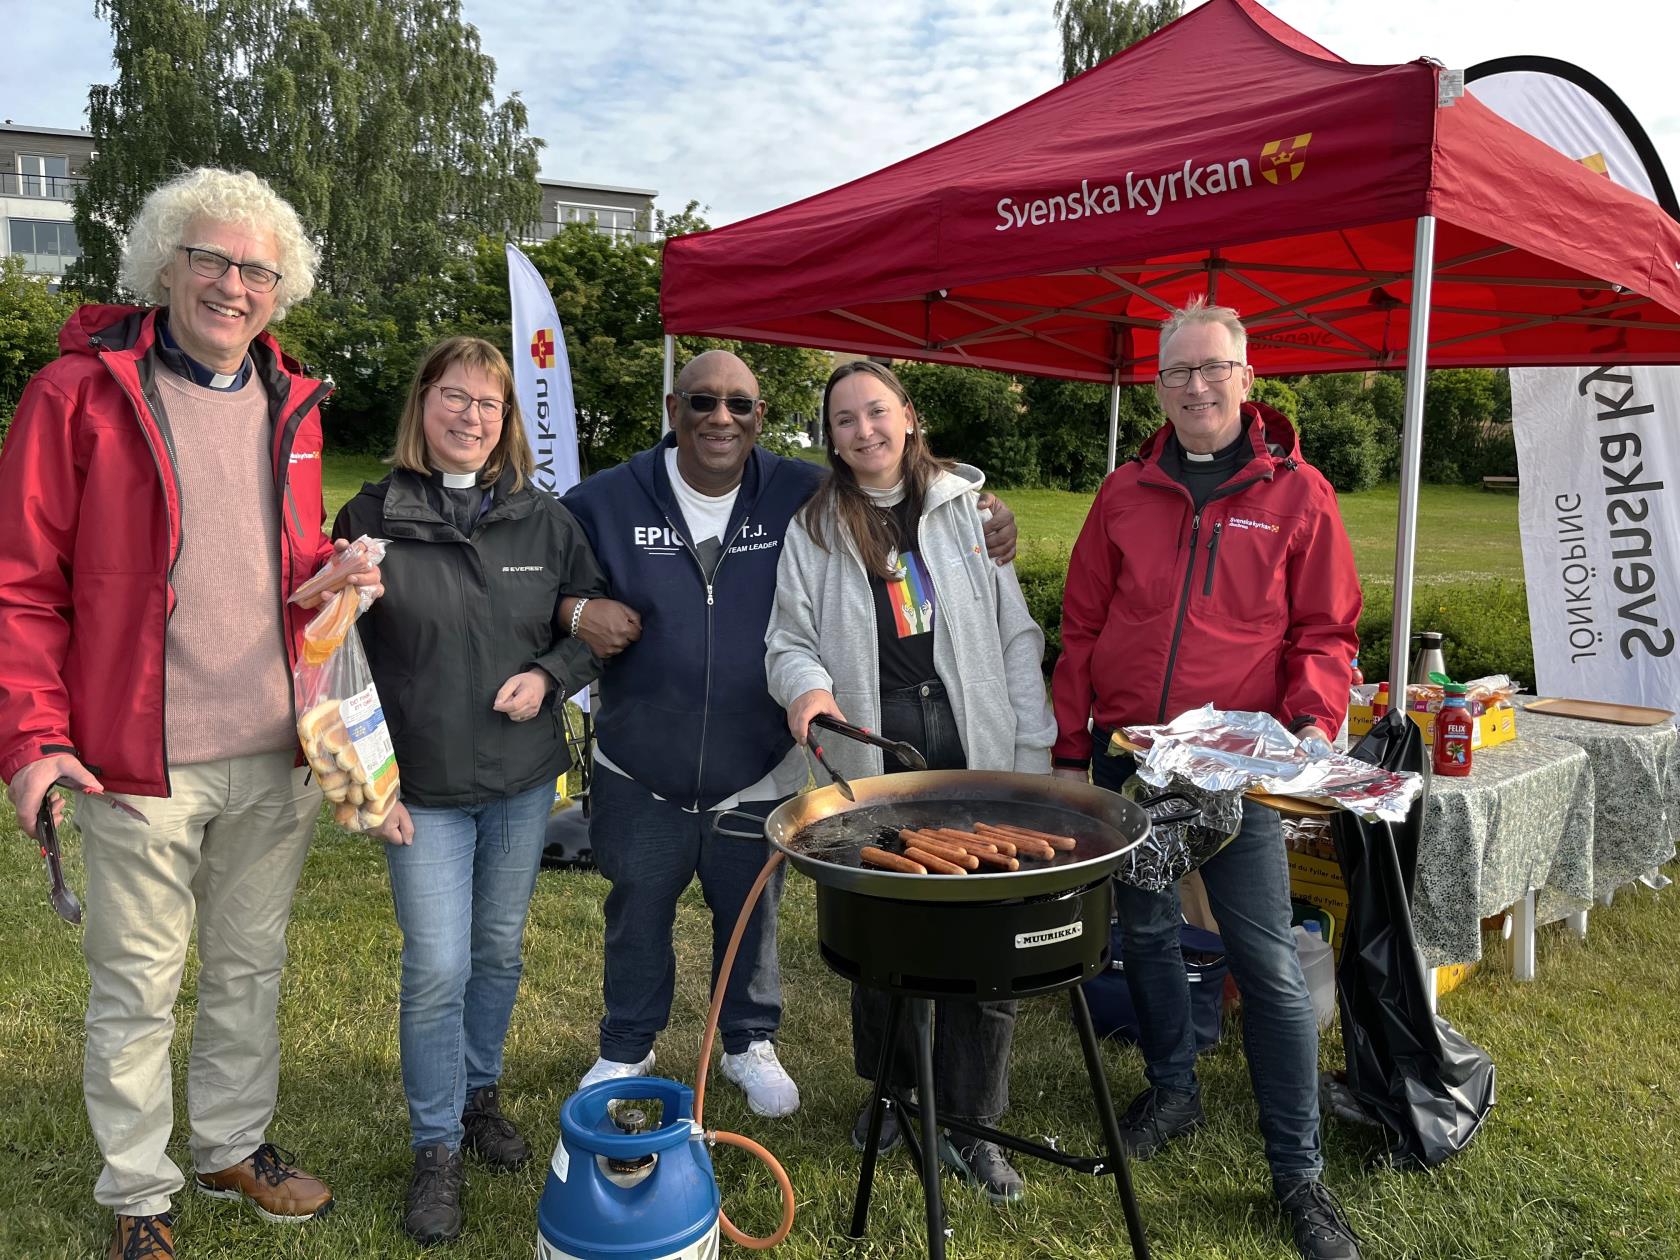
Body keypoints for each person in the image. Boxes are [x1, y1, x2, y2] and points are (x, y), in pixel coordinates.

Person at [0, 168, 381, 1260]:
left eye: (256, 269)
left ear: (281, 288)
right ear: (163, 264)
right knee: (138, 983)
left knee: (250, 968)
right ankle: (137, 1194)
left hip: (276, 753)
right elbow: (21, 581)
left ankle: (227, 1143)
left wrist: (333, 569)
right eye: (210, 259)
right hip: (135, 756)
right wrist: (33, 738)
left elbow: (265, 560)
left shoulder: (290, 400)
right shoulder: (76, 395)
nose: (232, 284)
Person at [558, 350, 1019, 1119]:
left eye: (740, 405)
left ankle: (747, 1042)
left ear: (762, 417)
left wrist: (982, 506)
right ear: (674, 407)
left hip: (758, 760)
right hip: (640, 758)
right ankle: (626, 1045)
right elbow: (537, 571)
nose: (720, 419)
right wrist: (575, 615)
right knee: (638, 907)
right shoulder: (603, 499)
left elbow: (902, 481)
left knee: (751, 910)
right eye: (702, 402)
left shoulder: (800, 492)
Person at [1050, 299, 1363, 1260]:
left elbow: (1326, 634)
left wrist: (1303, 726)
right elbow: (1084, 625)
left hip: (1234, 766)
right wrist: (1073, 748)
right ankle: (1174, 1091)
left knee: (1265, 960)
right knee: (1143, 929)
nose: (1195, 387)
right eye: (1177, 372)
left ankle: (1297, 1175)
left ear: (1246, 377)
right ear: (1158, 386)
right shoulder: (1123, 492)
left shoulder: (1297, 492)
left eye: (1211, 368)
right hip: (1133, 757)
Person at [333, 336, 608, 1245]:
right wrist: (368, 787)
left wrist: (552, 674)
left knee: (496, 951)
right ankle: (434, 1146)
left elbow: (593, 622)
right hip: (422, 793)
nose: (470, 418)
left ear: (505, 423)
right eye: (454, 398)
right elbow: (330, 665)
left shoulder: (545, 519)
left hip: (524, 781)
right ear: (423, 406)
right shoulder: (371, 519)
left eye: (488, 406)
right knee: (437, 966)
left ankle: (479, 1093)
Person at [764, 360, 1055, 1203]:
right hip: (874, 749)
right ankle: (893, 1092)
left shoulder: (968, 513)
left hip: (971, 740)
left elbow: (1015, 634)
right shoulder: (814, 528)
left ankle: (975, 1122)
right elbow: (789, 639)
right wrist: (807, 688)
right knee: (883, 930)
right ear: (831, 437)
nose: (865, 431)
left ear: (910, 417)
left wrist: (1029, 753)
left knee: (987, 927)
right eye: (846, 420)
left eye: (878, 413)